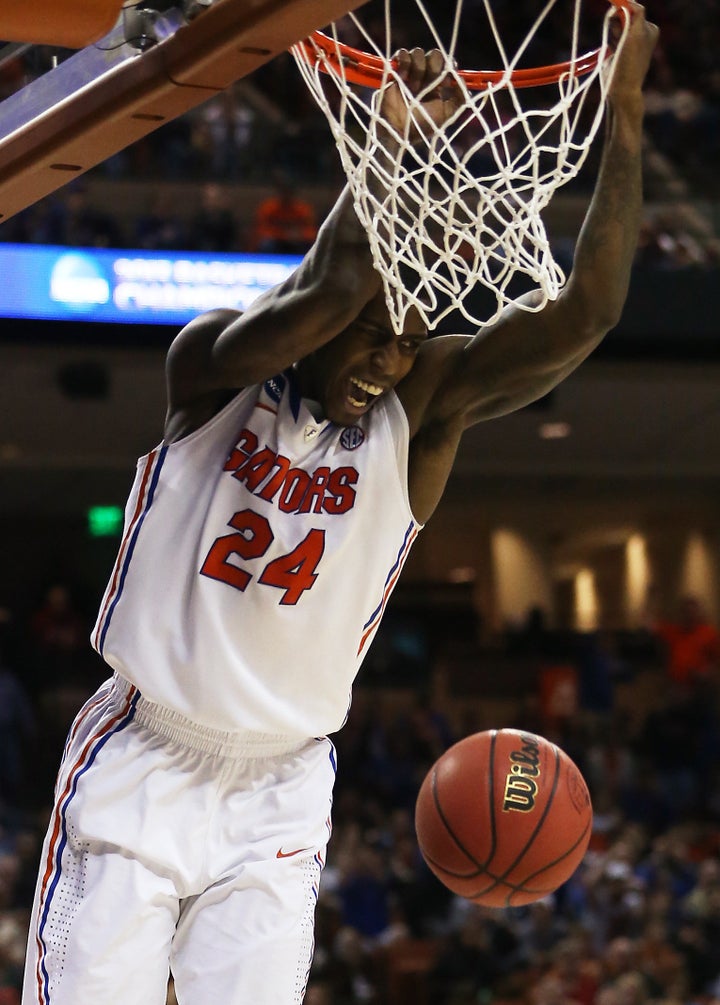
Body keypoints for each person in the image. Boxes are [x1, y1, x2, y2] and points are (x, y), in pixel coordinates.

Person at [22, 8, 658, 1004]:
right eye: (368, 337)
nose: (385, 360)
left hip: (280, 787)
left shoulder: (417, 426)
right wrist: (394, 134)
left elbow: (590, 311)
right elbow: (338, 283)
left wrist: (622, 118)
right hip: (143, 757)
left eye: (405, 344)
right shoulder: (213, 371)